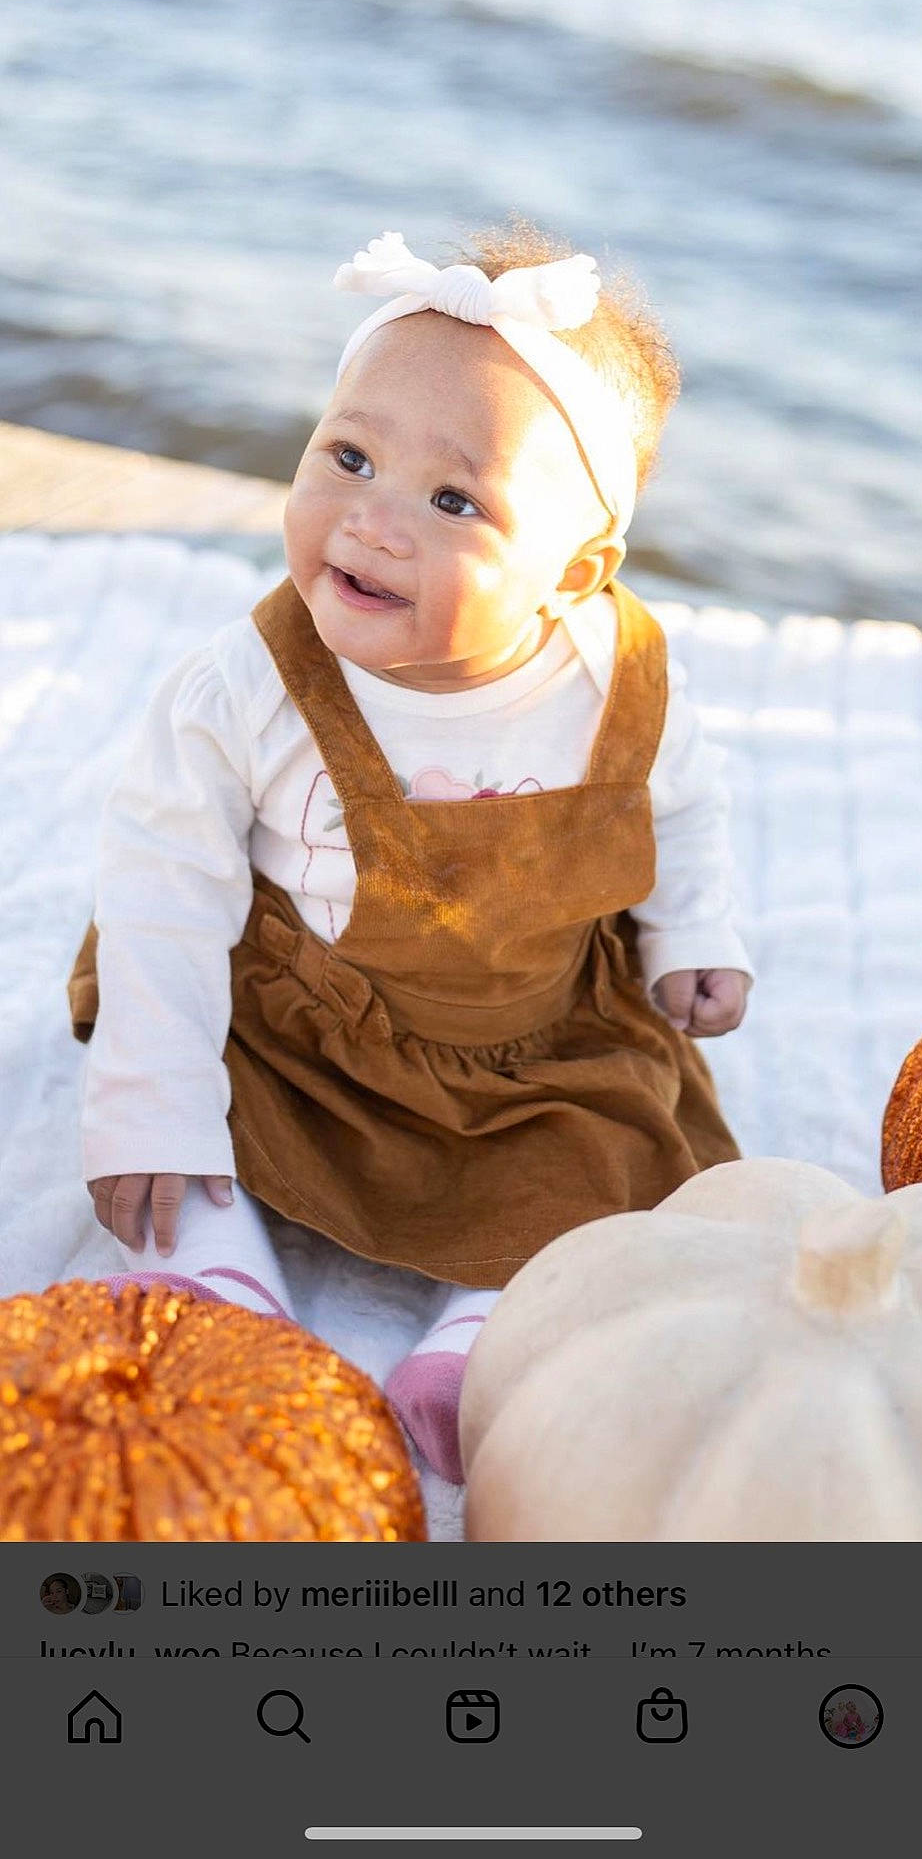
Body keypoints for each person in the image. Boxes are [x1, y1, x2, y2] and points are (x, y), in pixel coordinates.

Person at [67, 223, 754, 1484]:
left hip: (529, 1032)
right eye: (349, 454)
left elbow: (686, 808)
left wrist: (695, 933)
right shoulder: (252, 684)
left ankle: (483, 1331)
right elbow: (166, 886)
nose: (372, 521)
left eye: (452, 500)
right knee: (187, 1072)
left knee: (607, 1143)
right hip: (302, 1022)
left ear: (575, 573)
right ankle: (214, 1263)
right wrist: (147, 1108)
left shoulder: (619, 677)